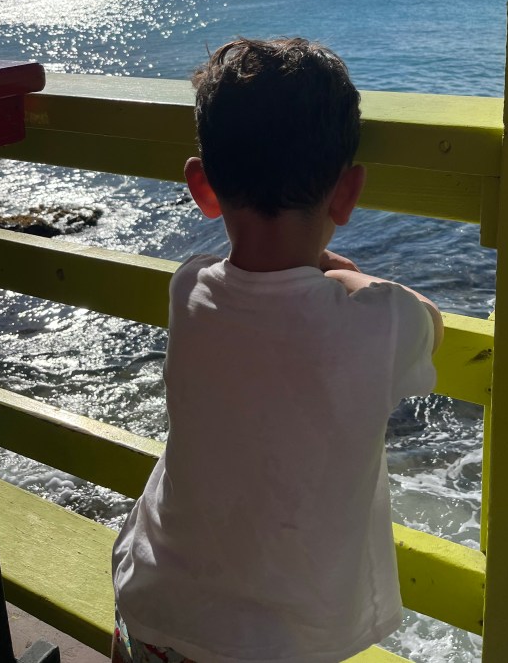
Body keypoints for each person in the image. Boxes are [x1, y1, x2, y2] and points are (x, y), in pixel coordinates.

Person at [111, 37, 444, 663]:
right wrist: (341, 272)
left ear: (203, 187)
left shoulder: (189, 287)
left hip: (154, 604)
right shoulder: (380, 324)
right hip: (275, 645)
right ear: (347, 193)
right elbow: (427, 319)